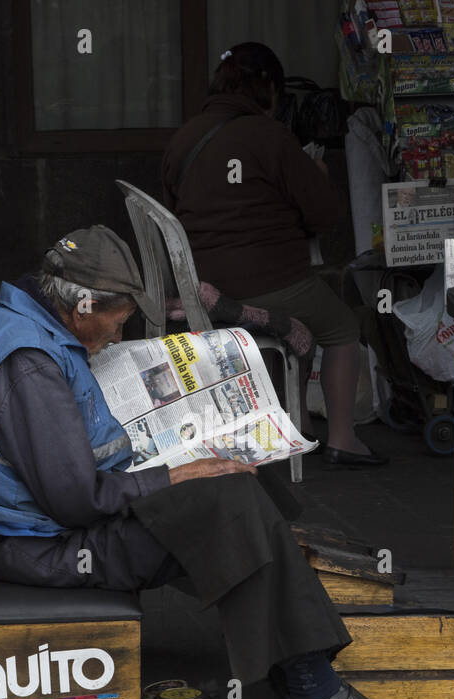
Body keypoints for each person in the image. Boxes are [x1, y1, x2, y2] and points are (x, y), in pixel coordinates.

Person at [0, 225, 430, 699]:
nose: (116, 338)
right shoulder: (28, 366)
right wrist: (171, 474)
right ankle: (314, 696)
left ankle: (296, 669)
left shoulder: (11, 317)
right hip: (42, 549)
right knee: (230, 504)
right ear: (81, 305)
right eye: (114, 324)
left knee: (246, 480)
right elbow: (76, 502)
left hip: (38, 526)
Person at [161, 42, 386, 468]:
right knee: (341, 327)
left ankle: (291, 424)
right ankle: (342, 438)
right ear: (267, 91)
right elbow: (325, 214)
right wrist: (316, 175)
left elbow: (181, 209)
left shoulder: (184, 138)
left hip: (201, 287)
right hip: (270, 286)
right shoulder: (270, 137)